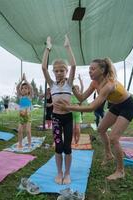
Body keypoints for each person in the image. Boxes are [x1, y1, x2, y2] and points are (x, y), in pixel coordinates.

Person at [55, 58, 133, 181]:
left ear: (102, 70)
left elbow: (92, 107)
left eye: (93, 69)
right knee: (101, 129)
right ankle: (109, 154)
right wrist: (72, 88)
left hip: (128, 105)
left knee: (114, 137)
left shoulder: (109, 85)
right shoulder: (94, 83)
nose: (90, 71)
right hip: (116, 105)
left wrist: (68, 107)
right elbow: (82, 98)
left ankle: (120, 171)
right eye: (89, 69)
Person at [41, 35, 76, 185]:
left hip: (68, 118)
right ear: (54, 72)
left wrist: (68, 47)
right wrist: (48, 47)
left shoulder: (69, 84)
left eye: (62, 70)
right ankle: (59, 172)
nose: (59, 72)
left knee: (67, 146)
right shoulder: (52, 85)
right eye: (56, 71)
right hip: (55, 118)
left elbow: (74, 65)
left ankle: (67, 173)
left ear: (66, 72)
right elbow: (43, 67)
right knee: (58, 146)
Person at [16, 73, 33, 149]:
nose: (23, 89)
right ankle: (20, 143)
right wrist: (21, 81)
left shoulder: (29, 97)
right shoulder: (20, 97)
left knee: (28, 131)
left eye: (26, 88)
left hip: (28, 117)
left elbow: (31, 88)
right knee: (19, 131)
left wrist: (25, 80)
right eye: (22, 88)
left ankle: (29, 143)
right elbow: (17, 88)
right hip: (21, 117)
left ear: (28, 90)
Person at [71, 74, 83, 145]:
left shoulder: (79, 96)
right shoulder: (71, 96)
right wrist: (72, 80)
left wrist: (80, 80)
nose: (75, 90)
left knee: (77, 129)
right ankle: (73, 139)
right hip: (71, 115)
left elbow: (82, 87)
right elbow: (70, 87)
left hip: (78, 115)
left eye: (77, 89)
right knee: (72, 129)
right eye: (74, 89)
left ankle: (77, 139)